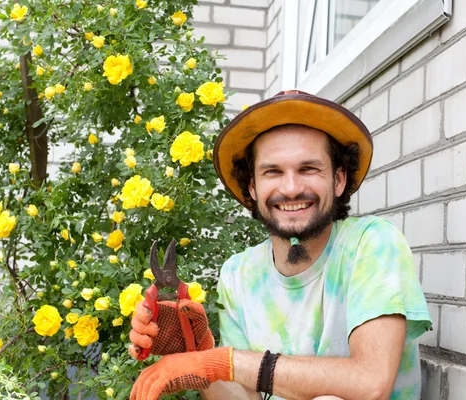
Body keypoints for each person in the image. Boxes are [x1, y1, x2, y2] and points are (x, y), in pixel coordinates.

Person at [127, 90, 432, 400]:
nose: (290, 188)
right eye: (272, 172)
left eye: (308, 169)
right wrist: (199, 355)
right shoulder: (238, 273)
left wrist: (224, 362)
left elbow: (371, 384)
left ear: (338, 180)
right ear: (253, 187)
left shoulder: (373, 243)